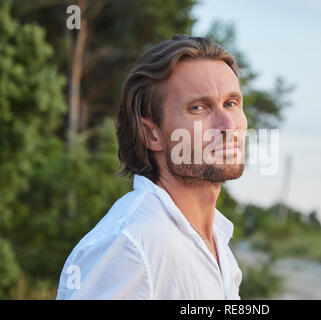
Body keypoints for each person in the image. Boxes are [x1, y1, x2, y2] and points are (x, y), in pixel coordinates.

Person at [56, 35, 247, 299]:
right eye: (198, 108)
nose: (228, 126)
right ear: (152, 135)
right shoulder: (130, 245)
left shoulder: (217, 242)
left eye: (231, 103)